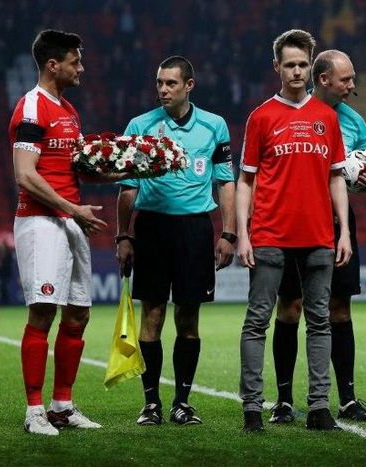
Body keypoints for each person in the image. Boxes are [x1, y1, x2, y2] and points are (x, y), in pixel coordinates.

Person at [236, 29, 352, 433]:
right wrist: (243, 233)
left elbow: (337, 177)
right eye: (290, 64)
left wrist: (345, 232)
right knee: (257, 322)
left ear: (311, 66)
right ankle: (252, 408)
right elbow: (245, 181)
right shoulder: (261, 116)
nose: (297, 71)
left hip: (319, 235)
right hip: (269, 234)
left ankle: (319, 408)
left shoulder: (326, 118)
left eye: (303, 64)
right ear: (277, 67)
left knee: (319, 321)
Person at [268, 49, 366, 425]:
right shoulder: (293, 115)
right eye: (346, 79)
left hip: (336, 223)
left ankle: (348, 398)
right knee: (290, 308)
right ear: (323, 79)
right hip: (292, 221)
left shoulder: (354, 123)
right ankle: (285, 400)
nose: (353, 86)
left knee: (339, 308)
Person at [116, 55, 236, 426]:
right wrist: (123, 235)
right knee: (152, 317)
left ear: (189, 85)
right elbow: (128, 186)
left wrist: (229, 232)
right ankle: (151, 404)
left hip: (195, 229)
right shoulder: (140, 125)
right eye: (159, 83)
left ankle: (182, 402)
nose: (163, 90)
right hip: (152, 228)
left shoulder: (214, 126)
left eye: (170, 83)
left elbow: (225, 181)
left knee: (188, 317)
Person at [9, 29, 109, 436]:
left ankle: (62, 406)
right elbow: (24, 175)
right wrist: (71, 209)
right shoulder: (33, 106)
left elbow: (76, 171)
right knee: (43, 312)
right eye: (75, 61)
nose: (81, 68)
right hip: (40, 222)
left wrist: (131, 169)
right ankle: (34, 411)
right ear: (54, 65)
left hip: (69, 221)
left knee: (79, 314)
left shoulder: (68, 110)